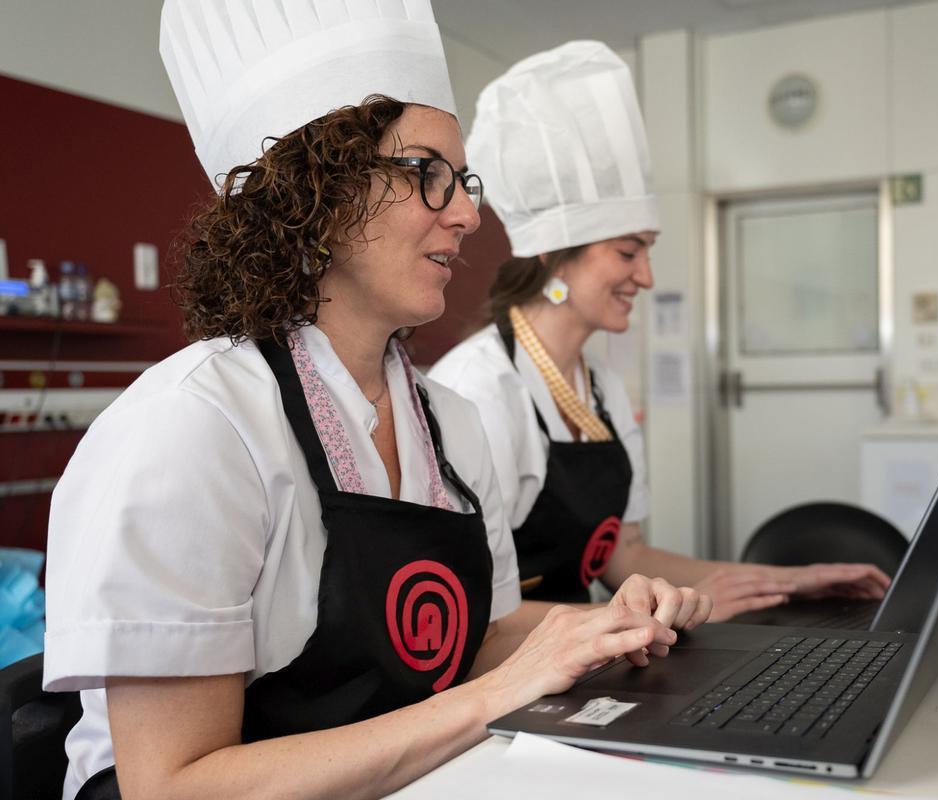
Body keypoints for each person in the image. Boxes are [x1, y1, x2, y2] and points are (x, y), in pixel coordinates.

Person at [42, 7, 709, 799]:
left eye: (466, 181)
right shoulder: (192, 430)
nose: (466, 213)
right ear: (313, 188)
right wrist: (494, 695)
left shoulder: (448, 424)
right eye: (428, 171)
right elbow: (174, 784)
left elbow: (482, 637)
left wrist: (599, 625)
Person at [430, 41, 891, 624]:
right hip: (514, 666)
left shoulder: (600, 388)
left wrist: (788, 581)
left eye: (648, 251)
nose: (645, 277)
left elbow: (625, 555)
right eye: (628, 252)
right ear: (552, 254)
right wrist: (648, 617)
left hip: (585, 649)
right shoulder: (479, 393)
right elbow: (476, 617)